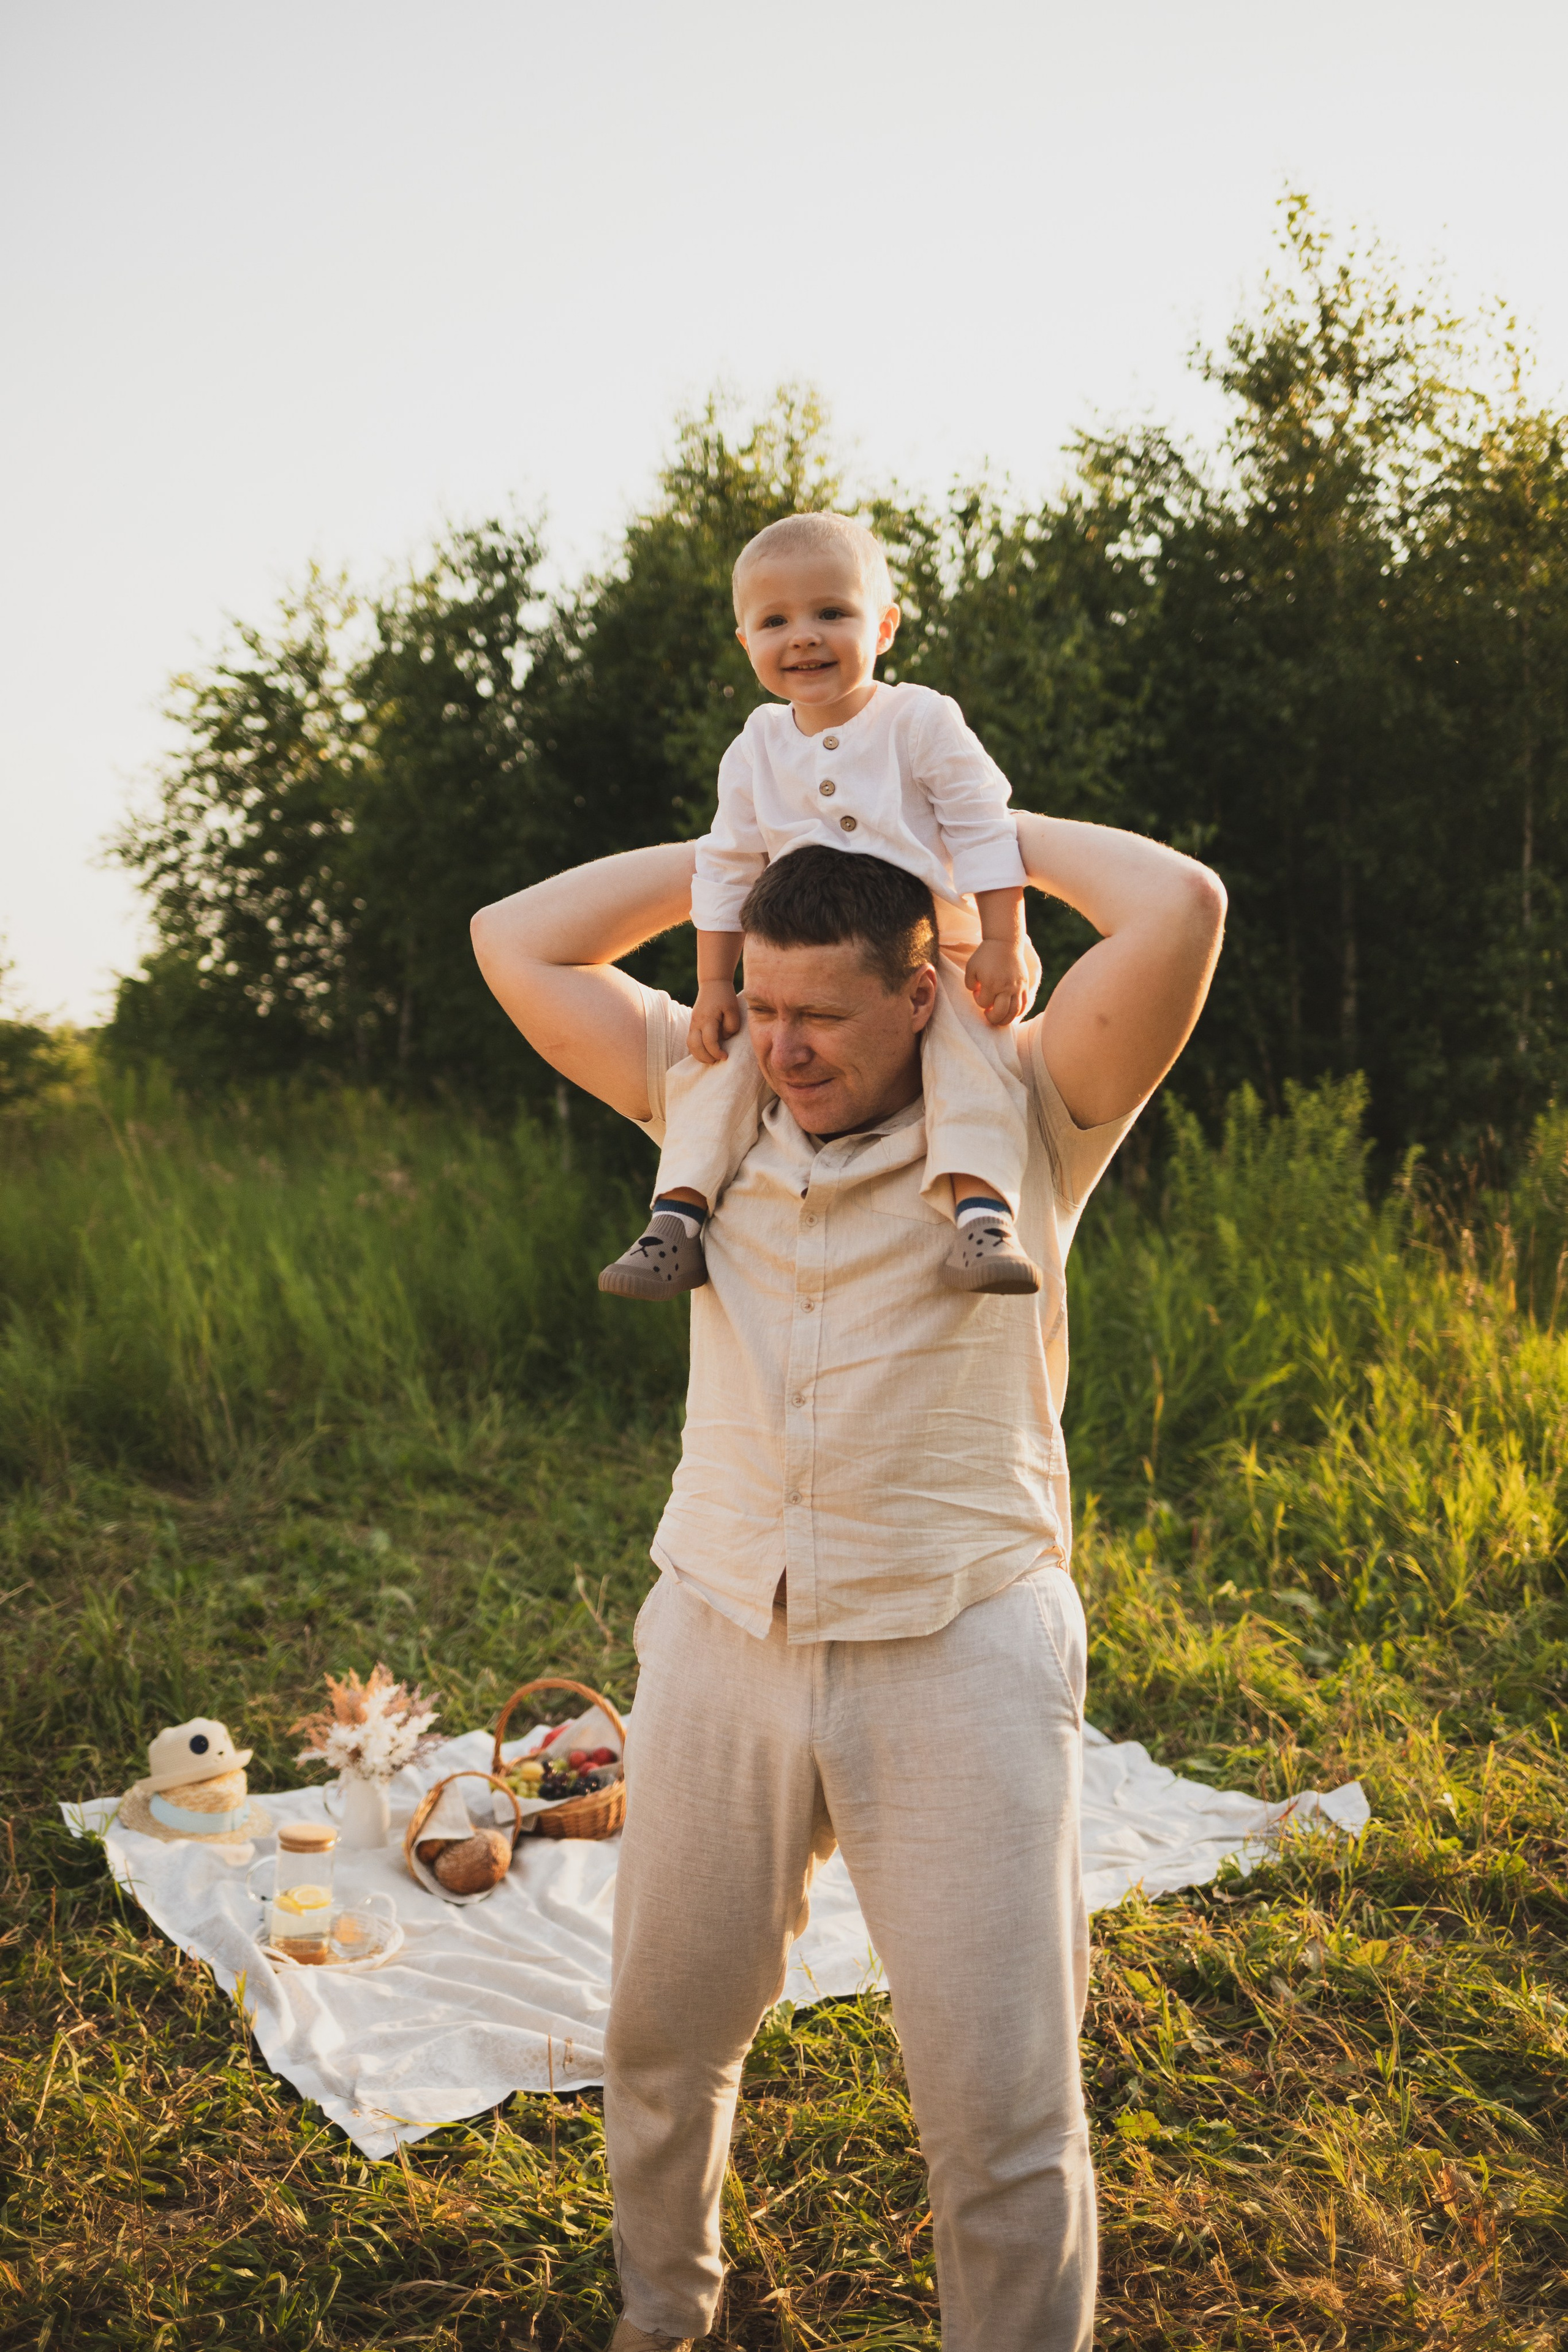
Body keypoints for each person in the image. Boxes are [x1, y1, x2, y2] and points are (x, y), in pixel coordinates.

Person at [471, 799, 1225, 2352]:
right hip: (717, 1633)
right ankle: (661, 2315)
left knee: (999, 2097)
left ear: (924, 990)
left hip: (960, 1644)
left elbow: (1180, 907)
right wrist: (743, 838)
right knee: (664, 2034)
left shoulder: (1027, 1111)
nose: (783, 1044)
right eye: (758, 1003)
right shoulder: (707, 1092)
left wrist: (946, 814)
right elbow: (513, 940)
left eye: (823, 1011)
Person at [599, 511, 1043, 1303]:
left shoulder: (918, 720)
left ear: (885, 625)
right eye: (775, 621)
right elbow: (725, 868)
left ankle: (981, 1212)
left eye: (831, 613)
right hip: (799, 958)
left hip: (930, 949)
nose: (802, 637)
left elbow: (984, 827)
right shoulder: (758, 745)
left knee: (973, 1055)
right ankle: (678, 1216)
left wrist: (1004, 939)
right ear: (745, 642)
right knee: (727, 1060)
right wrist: (711, 986)